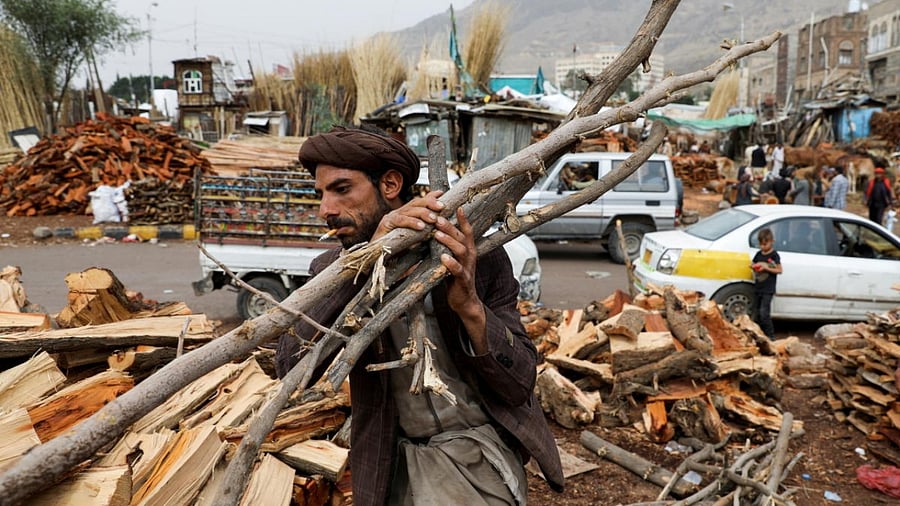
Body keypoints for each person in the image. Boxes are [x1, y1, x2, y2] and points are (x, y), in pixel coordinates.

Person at [275, 126, 564, 505]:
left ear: (391, 184)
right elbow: (290, 368)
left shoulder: (471, 256)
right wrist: (365, 264)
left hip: (480, 462)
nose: (325, 210)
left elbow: (520, 381)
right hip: (392, 468)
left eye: (342, 189)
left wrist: (471, 309)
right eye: (321, 194)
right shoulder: (333, 271)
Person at [751, 228, 782, 340]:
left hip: (768, 289)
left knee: (764, 313)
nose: (763, 247)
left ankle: (770, 336)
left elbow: (779, 270)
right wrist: (754, 267)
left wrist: (766, 267)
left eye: (765, 244)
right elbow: (753, 264)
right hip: (758, 287)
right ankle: (758, 335)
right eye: (761, 244)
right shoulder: (758, 254)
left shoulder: (774, 256)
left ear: (771, 241)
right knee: (757, 313)